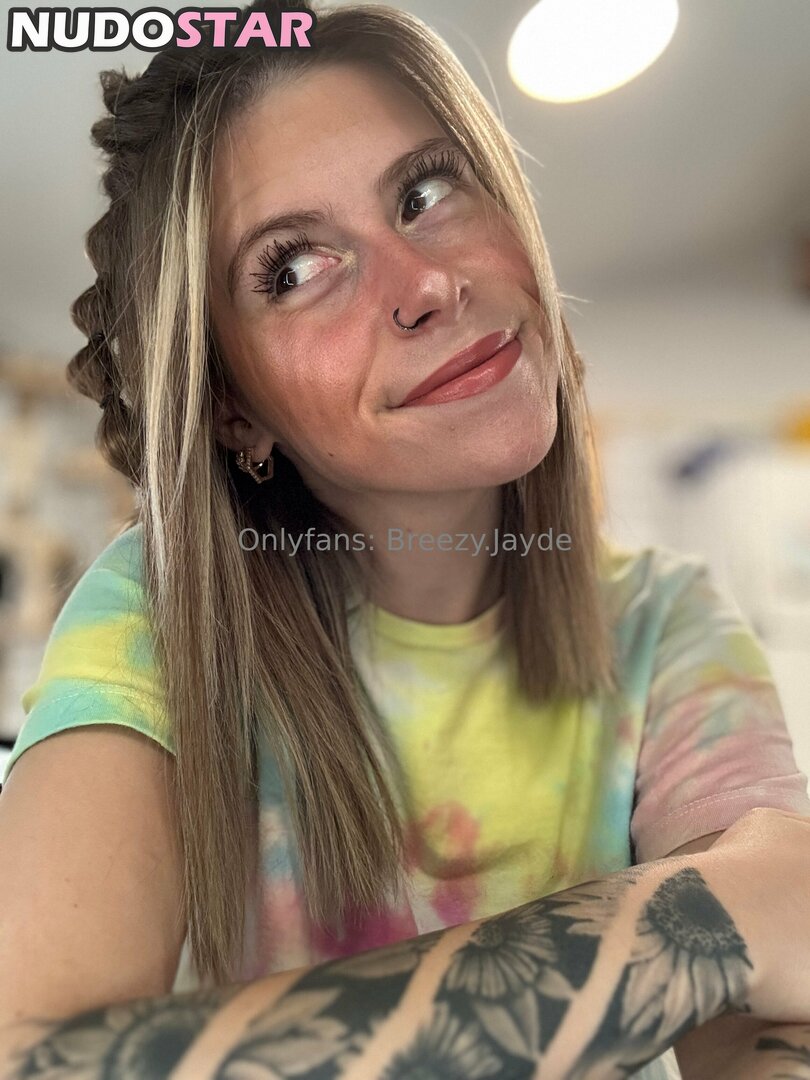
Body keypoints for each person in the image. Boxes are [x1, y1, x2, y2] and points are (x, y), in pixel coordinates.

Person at [1, 2, 809, 1077]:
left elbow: (771, 1008)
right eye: (294, 268)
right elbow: (29, 1059)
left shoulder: (666, 622)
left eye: (426, 193)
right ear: (233, 408)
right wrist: (708, 920)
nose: (427, 285)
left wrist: (747, 926)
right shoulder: (156, 620)